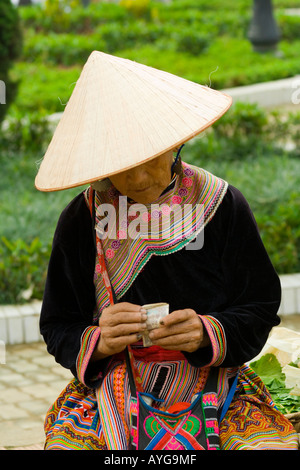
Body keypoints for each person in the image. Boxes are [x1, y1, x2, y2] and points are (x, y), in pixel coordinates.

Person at [36, 51, 298, 450]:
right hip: (114, 388)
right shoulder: (82, 219)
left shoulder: (220, 204)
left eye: (151, 158)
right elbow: (58, 325)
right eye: (122, 164)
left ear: (176, 143)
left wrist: (206, 333)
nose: (138, 178)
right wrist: (99, 340)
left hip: (218, 387)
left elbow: (259, 307)